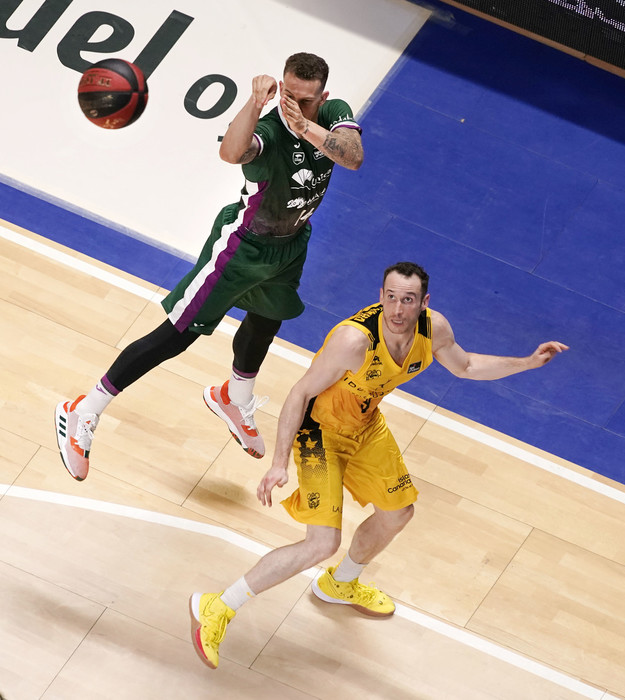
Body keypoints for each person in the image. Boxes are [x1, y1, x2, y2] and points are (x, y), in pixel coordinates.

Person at [188, 262, 568, 669]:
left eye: (408, 300)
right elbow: (299, 394)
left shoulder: (433, 329)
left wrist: (527, 363)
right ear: (381, 295)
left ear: (424, 302)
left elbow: (467, 366)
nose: (398, 309)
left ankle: (340, 583)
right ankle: (218, 606)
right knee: (322, 543)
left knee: (398, 512)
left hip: (366, 427)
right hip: (319, 434)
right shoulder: (353, 341)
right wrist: (279, 463)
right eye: (391, 297)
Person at [55, 52, 364, 480]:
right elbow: (230, 152)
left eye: (306, 100)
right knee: (177, 336)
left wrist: (306, 125)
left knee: (267, 319)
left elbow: (353, 157)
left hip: (291, 245)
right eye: (289, 96)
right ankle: (84, 409)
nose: (295, 106)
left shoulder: (331, 114)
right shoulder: (269, 131)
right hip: (243, 246)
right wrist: (255, 104)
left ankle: (234, 398)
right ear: (280, 88)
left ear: (323, 98)